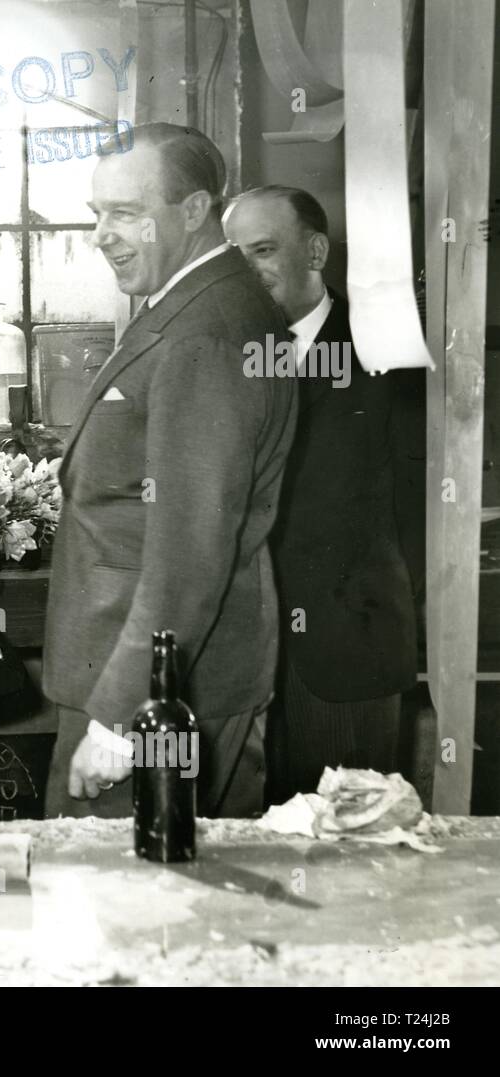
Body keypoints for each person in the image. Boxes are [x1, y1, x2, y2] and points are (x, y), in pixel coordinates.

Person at [41, 123, 297, 819]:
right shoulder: (200, 306)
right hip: (167, 677)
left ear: (193, 212)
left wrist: (123, 712)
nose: (101, 234)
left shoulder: (206, 329)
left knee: (113, 909)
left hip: (157, 693)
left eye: (125, 213)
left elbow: (190, 547)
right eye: (97, 213)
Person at [223, 185, 417, 803]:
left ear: (313, 251)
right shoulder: (227, 355)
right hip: (242, 662)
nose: (247, 272)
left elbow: (418, 509)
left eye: (263, 250)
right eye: (235, 257)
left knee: (348, 851)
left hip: (346, 656)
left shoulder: (388, 350)